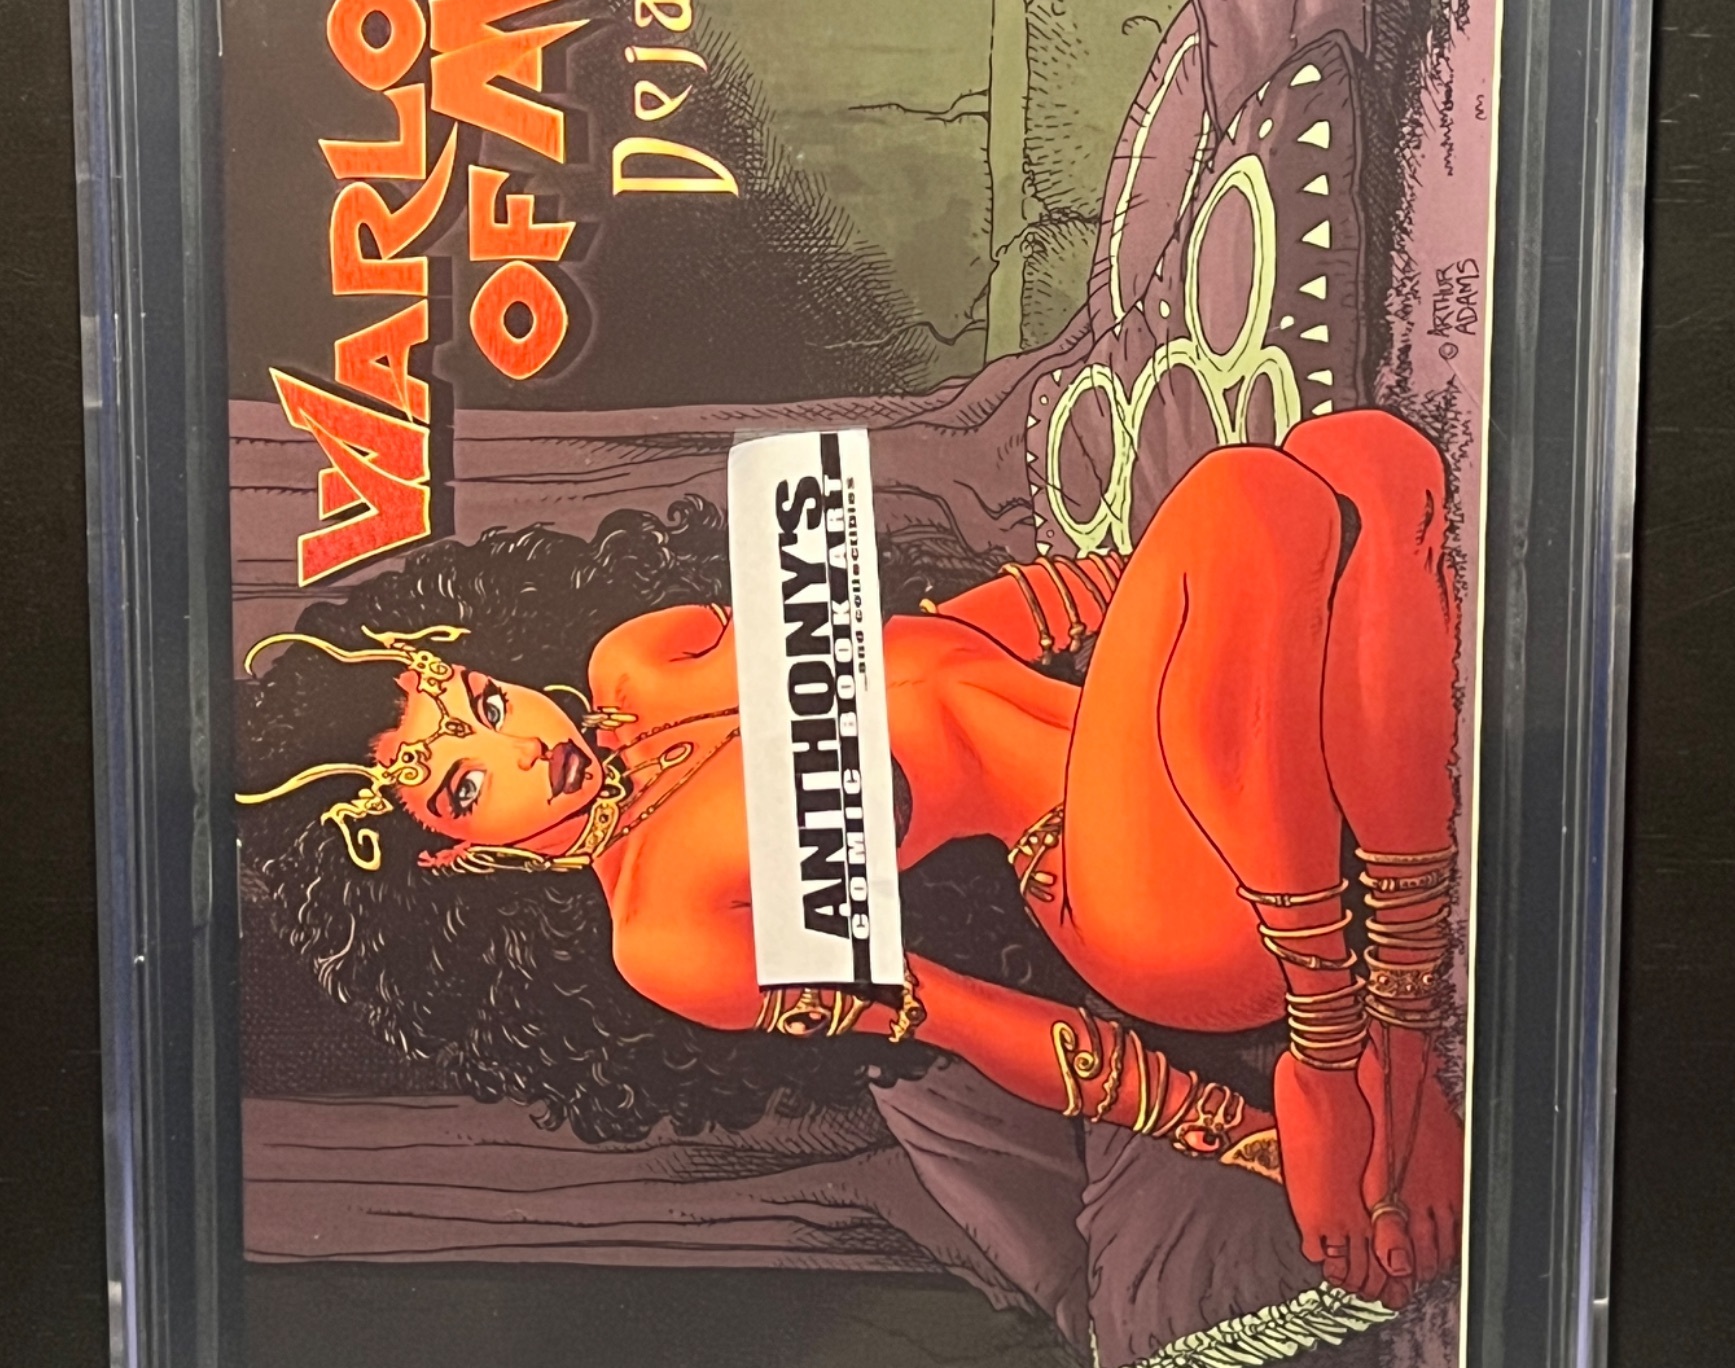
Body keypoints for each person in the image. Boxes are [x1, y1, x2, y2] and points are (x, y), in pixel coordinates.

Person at [242, 406, 1462, 1311]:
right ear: (447, 862)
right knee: (1252, 496)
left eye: (481, 701)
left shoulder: (641, 660)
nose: (520, 745)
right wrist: (1252, 1135)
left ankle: (1396, 1034)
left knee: (1370, 459)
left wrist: (1150, 592)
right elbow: (953, 1012)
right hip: (1147, 904)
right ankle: (1336, 1045)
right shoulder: (663, 931)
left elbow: (946, 643)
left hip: (1184, 753)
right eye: (464, 785)